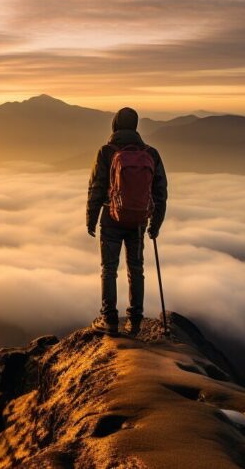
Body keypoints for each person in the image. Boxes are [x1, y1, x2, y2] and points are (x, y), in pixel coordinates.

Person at [86, 107, 167, 335]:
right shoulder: (150, 153)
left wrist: (91, 218)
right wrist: (156, 223)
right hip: (138, 220)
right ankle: (135, 322)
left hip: (110, 217)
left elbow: (96, 187)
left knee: (109, 270)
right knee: (136, 269)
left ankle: (109, 320)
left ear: (115, 124)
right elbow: (160, 191)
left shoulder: (106, 152)